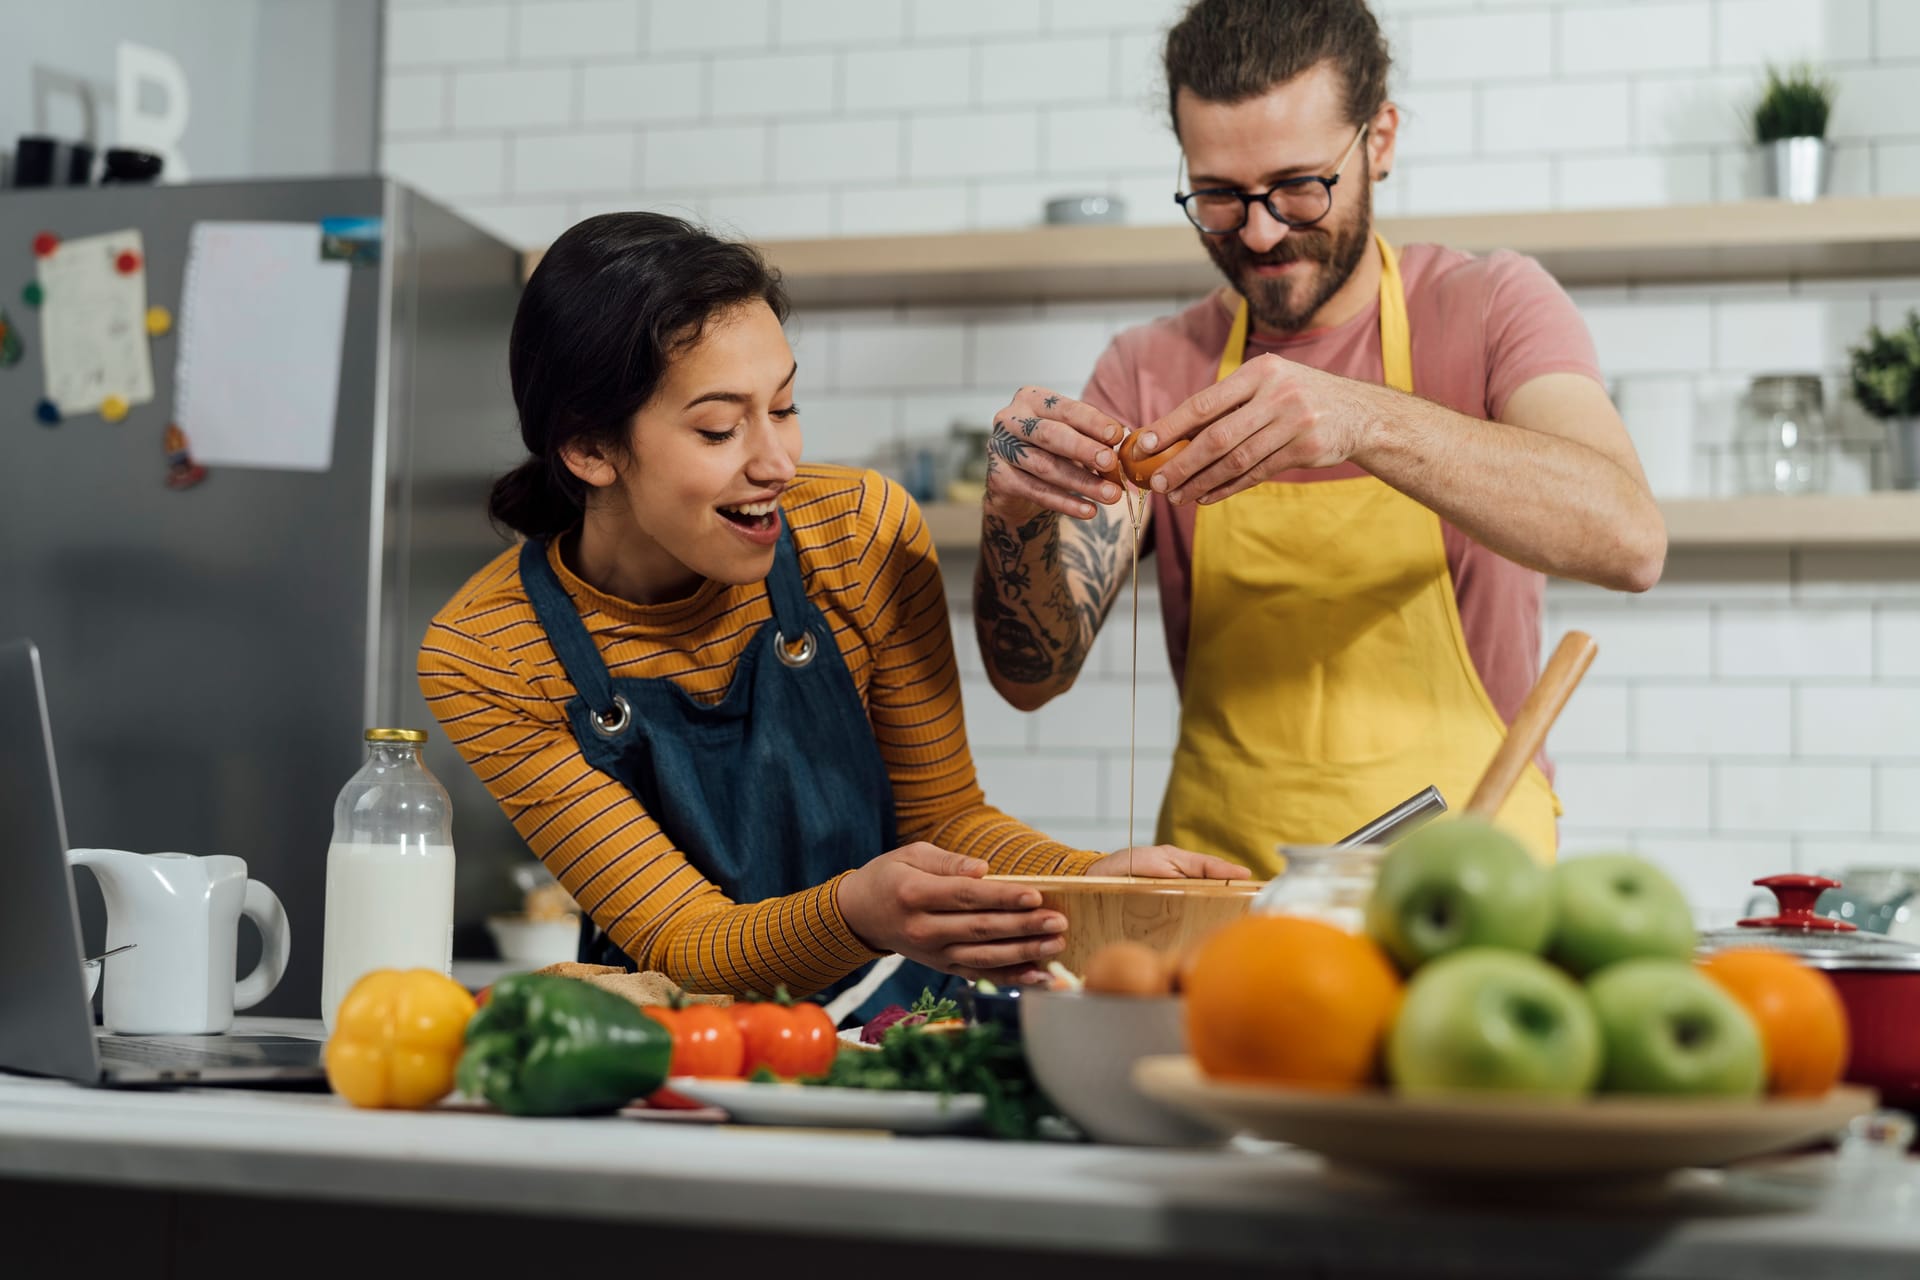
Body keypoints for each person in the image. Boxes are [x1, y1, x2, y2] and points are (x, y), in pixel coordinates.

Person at [419, 213, 1242, 1023]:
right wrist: (854, 912)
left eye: (783, 407)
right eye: (718, 428)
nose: (777, 463)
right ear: (591, 450)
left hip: (894, 1030)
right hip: (671, 1053)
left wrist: (1089, 881)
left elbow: (945, 820)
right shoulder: (488, 654)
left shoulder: (857, 534)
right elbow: (680, 935)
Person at [973, 0, 1666, 872]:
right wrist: (1017, 517)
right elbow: (1032, 675)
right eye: (1219, 196)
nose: (1260, 231)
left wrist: (1364, 419)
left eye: (1300, 187)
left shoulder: (1491, 306)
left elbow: (1629, 540)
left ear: (1379, 141)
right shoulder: (1152, 367)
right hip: (1226, 907)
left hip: (1469, 902)